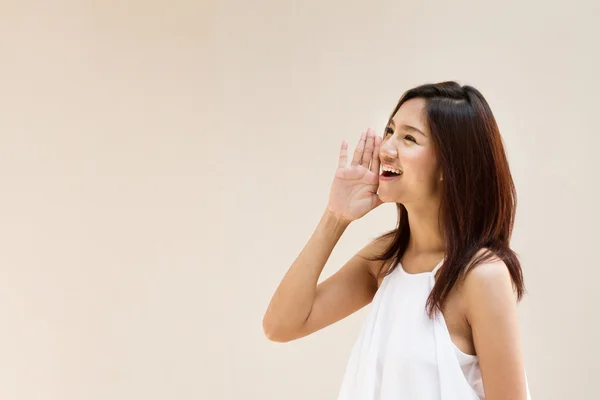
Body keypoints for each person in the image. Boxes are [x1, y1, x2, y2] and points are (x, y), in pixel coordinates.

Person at [262, 81, 531, 399]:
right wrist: (336, 217)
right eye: (389, 131)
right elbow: (281, 325)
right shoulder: (385, 260)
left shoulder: (482, 276)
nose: (386, 148)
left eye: (409, 138)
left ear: (449, 165)